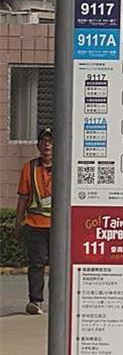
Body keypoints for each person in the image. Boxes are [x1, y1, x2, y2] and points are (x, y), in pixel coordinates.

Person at [15, 128, 53, 315]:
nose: (47, 145)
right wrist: (18, 222)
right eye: (43, 141)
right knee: (37, 264)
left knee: (59, 265)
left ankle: (59, 301)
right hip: (35, 225)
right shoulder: (29, 168)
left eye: (50, 141)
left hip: (59, 227)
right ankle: (35, 301)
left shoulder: (65, 166)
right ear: (38, 145)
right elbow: (23, 197)